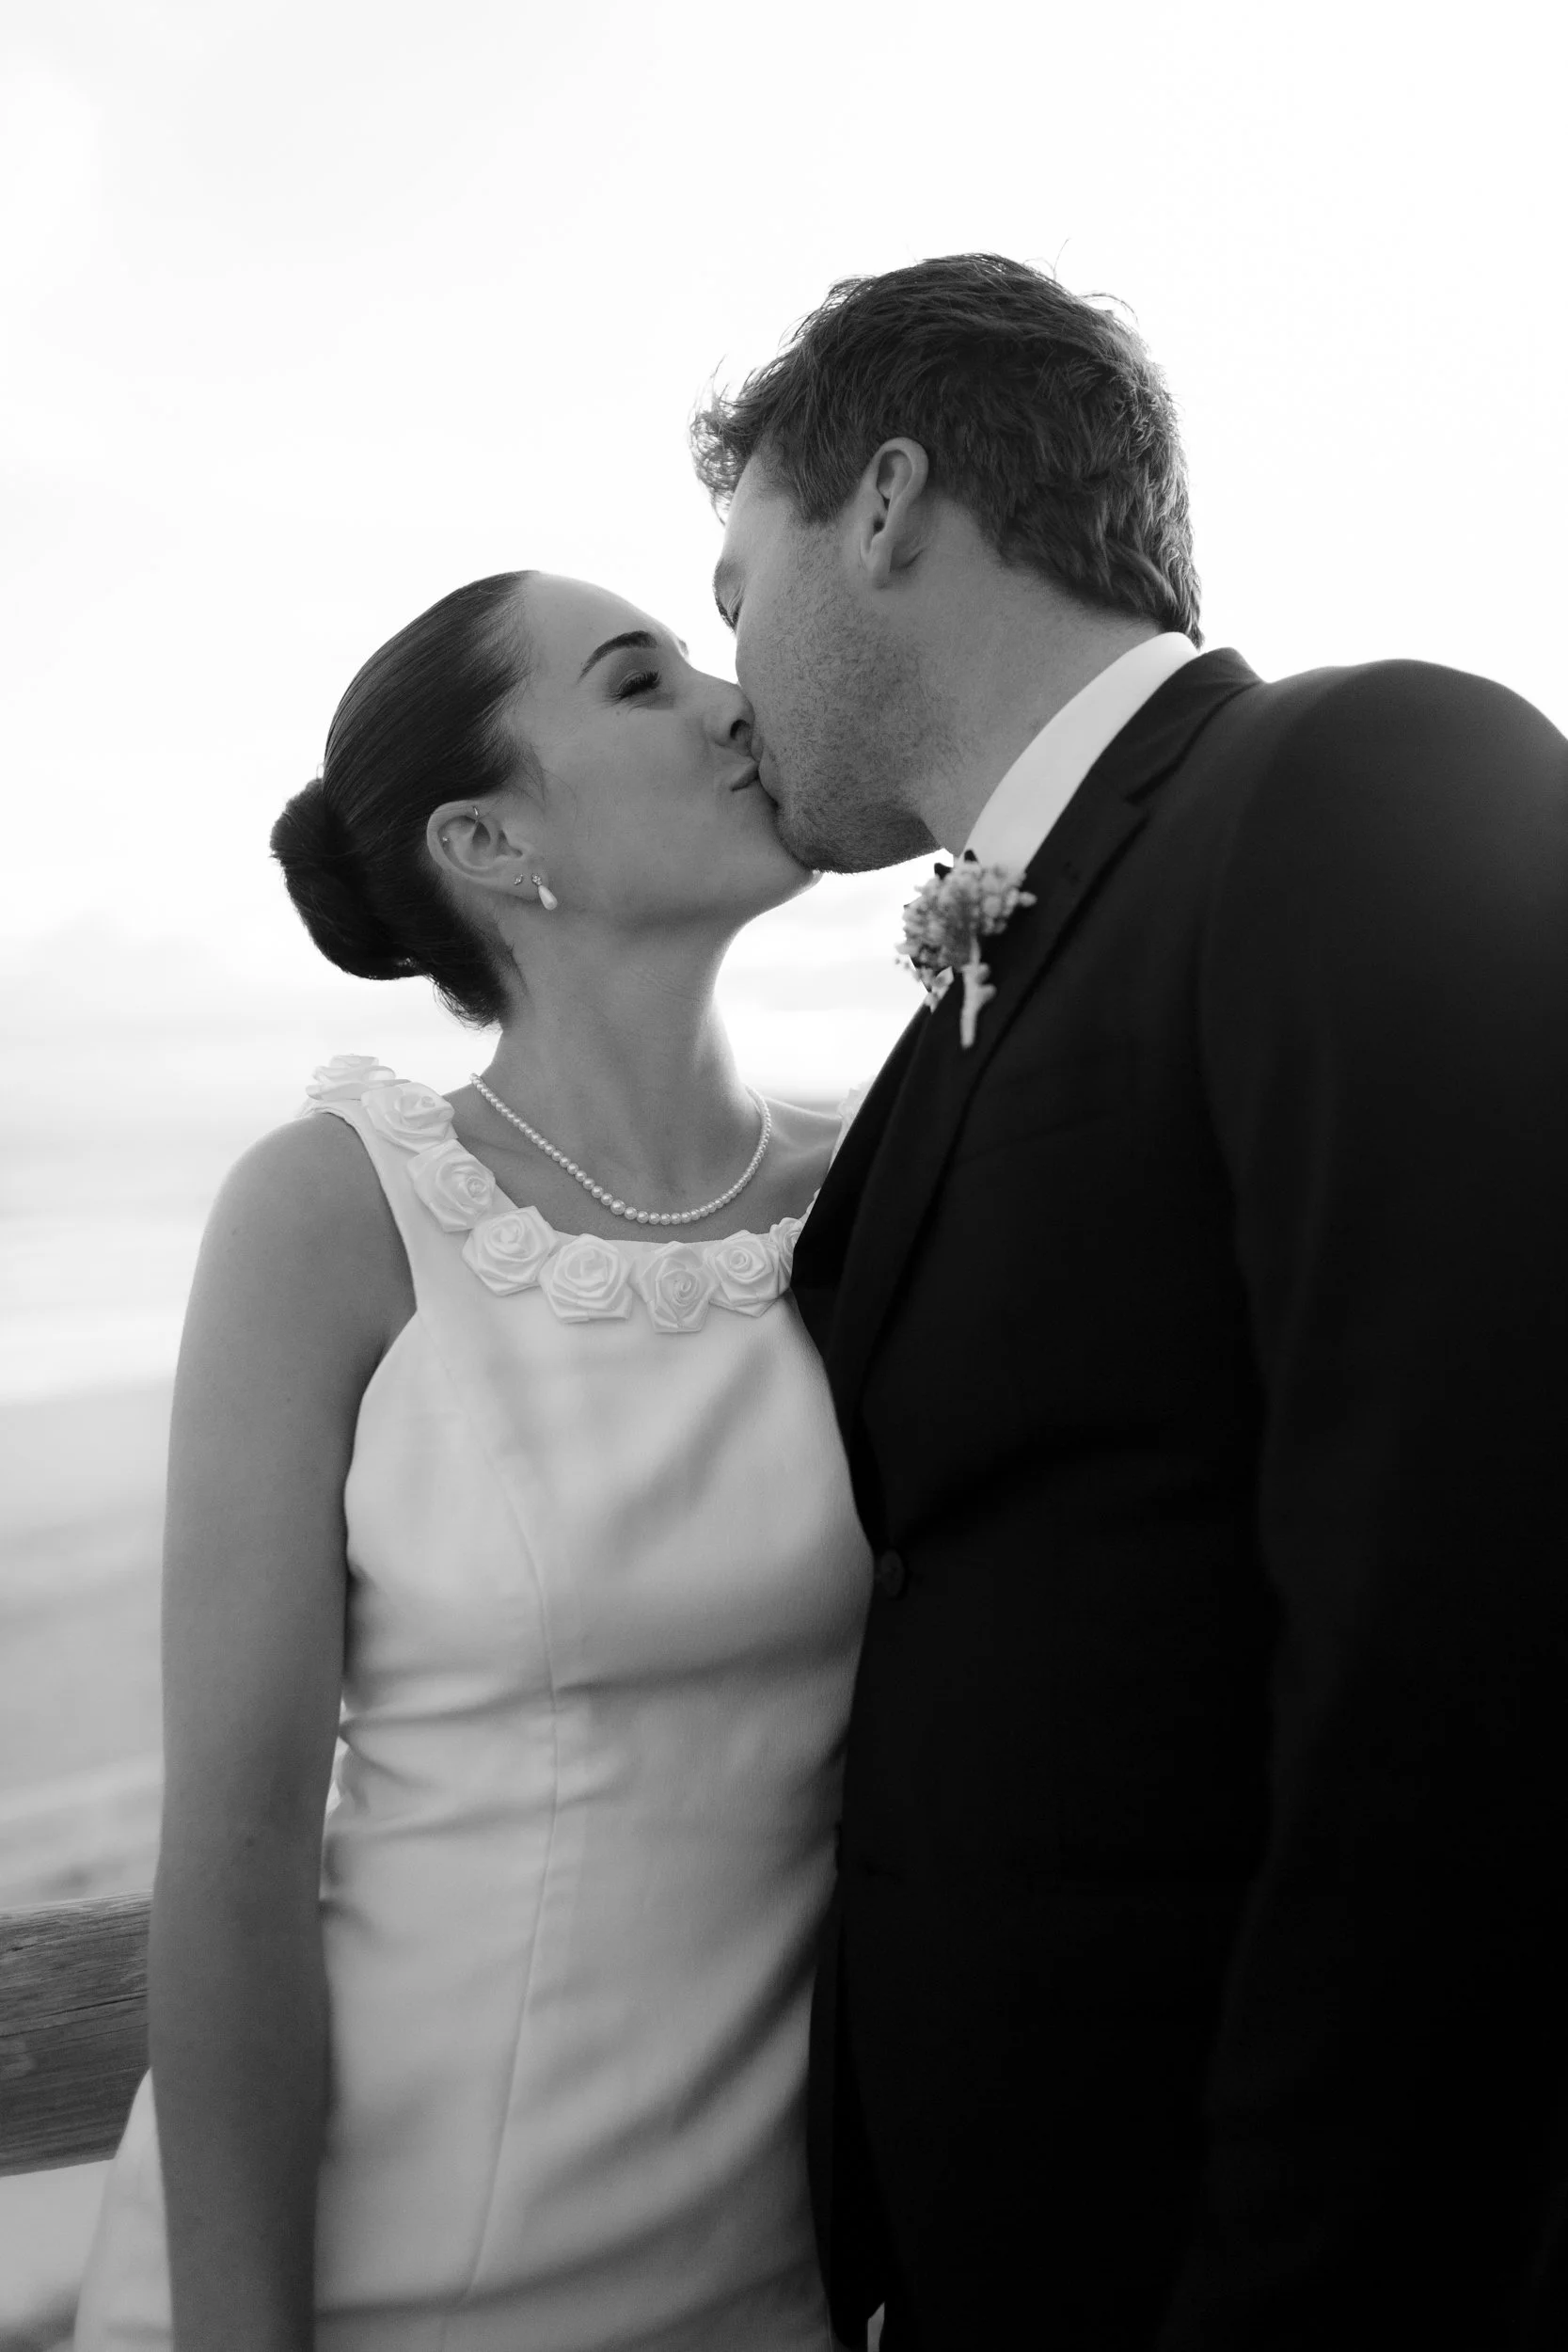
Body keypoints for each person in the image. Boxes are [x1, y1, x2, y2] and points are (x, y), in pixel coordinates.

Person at [692, 252, 1568, 2349]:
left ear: (885, 503)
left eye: (735, 585)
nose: (731, 675)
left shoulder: (1367, 781)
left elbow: (1465, 1647)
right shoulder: (929, 1056)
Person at [73, 570, 872, 2352]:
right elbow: (242, 1839)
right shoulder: (337, 1213)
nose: (734, 699)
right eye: (638, 680)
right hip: (384, 2269)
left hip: (772, 2271)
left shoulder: (880, 1185)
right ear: (494, 841)